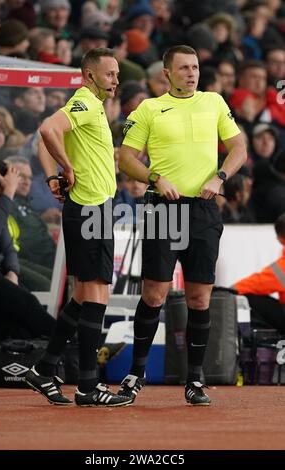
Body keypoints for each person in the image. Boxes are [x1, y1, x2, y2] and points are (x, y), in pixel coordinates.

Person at [118, 44, 247, 405]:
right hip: (164, 208)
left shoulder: (214, 102)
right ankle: (135, 373)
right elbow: (126, 158)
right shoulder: (150, 108)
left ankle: (195, 379)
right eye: (184, 68)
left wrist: (220, 177)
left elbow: (239, 148)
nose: (192, 74)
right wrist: (155, 177)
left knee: (199, 297)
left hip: (204, 209)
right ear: (167, 74)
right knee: (154, 294)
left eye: (195, 67)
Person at [25, 48, 131, 407]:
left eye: (117, 74)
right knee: (98, 293)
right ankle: (88, 386)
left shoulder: (89, 105)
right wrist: (66, 169)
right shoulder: (85, 102)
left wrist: (53, 174)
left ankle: (44, 368)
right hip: (91, 209)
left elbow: (44, 140)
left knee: (84, 295)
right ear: (89, 76)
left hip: (90, 207)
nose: (116, 80)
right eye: (110, 74)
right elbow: (46, 129)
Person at [0, 160, 55, 343]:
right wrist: (8, 194)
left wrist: (12, 271)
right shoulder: (2, 204)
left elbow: (6, 243)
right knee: (26, 306)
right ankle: (70, 346)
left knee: (23, 315)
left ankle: (68, 349)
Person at [233, 213, 285, 334]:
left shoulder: (280, 269)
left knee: (246, 297)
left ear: (280, 239)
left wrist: (226, 292)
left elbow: (248, 286)